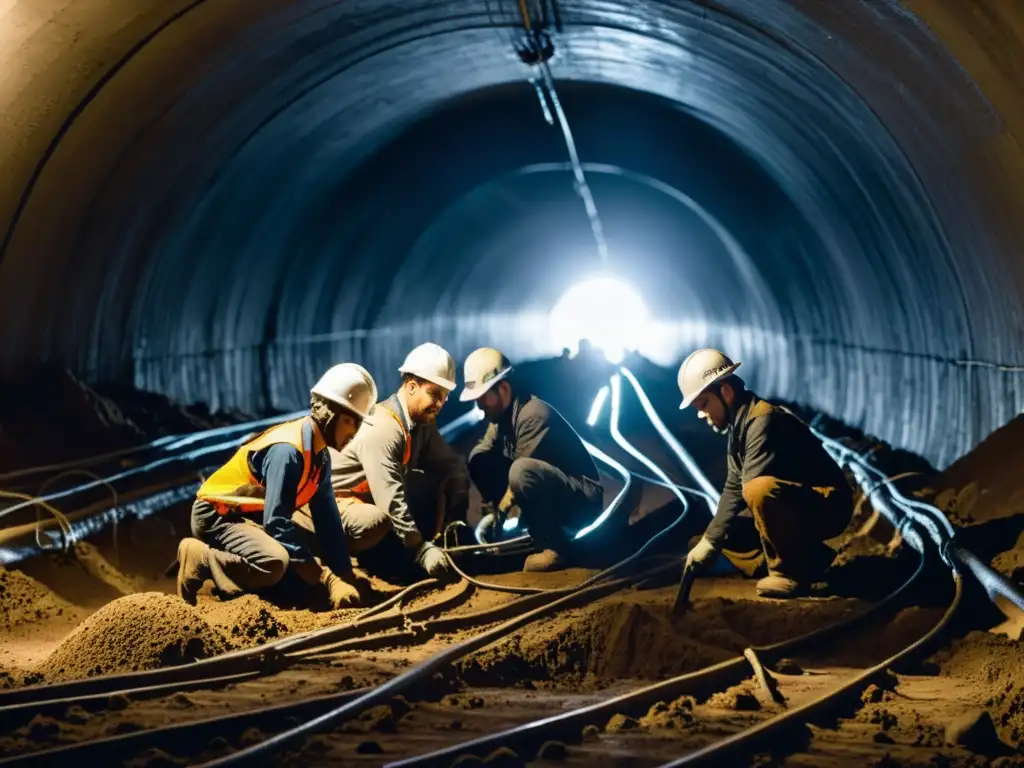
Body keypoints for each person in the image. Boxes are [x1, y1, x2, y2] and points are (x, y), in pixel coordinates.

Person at [175, 363, 377, 608]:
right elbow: (277, 523)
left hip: (250, 517)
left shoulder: (319, 456)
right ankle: (202, 558)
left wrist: (346, 575)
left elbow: (328, 520)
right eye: (349, 421)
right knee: (274, 562)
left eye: (358, 424)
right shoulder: (288, 452)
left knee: (299, 575)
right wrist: (327, 579)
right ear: (328, 414)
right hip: (217, 514)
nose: (354, 432)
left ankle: (267, 582)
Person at [678, 348, 854, 598]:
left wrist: (715, 538)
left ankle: (789, 574)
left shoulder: (763, 420)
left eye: (704, 403)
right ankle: (813, 559)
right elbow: (732, 486)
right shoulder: (740, 424)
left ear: (725, 392)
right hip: (798, 502)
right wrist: (710, 541)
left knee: (758, 490)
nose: (700, 413)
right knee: (724, 535)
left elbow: (749, 489)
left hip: (828, 504)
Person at [320, 343, 469, 580]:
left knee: (431, 481)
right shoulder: (383, 427)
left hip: (369, 500)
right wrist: (421, 551)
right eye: (434, 394)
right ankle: (341, 558)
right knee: (375, 521)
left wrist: (455, 520)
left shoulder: (422, 424)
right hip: (333, 505)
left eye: (445, 396)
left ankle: (399, 552)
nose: (440, 404)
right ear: (411, 387)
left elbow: (451, 466)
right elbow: (391, 501)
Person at [461, 347, 603, 572]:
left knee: (520, 471)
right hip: (555, 493)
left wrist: (500, 517)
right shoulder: (501, 419)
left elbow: (519, 480)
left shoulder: (533, 414)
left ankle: (555, 548)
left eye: (481, 397)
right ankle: (530, 528)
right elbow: (482, 455)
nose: (478, 405)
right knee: (479, 458)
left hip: (581, 502)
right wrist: (492, 507)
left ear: (504, 389)